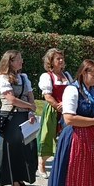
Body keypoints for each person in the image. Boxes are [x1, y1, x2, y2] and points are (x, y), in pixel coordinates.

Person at [0, 50, 37, 186]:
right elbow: (11, 99)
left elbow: (30, 97)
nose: (21, 61)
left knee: (25, 150)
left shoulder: (24, 77)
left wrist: (31, 111)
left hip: (25, 117)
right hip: (11, 117)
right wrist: (30, 106)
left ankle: (21, 177)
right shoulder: (2, 78)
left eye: (21, 58)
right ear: (10, 62)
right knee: (12, 150)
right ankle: (13, 180)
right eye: (18, 59)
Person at [36, 49, 73, 178]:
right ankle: (42, 164)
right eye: (58, 59)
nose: (61, 61)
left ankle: (63, 165)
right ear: (50, 61)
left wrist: (67, 106)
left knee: (66, 137)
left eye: (62, 58)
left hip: (67, 110)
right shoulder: (47, 76)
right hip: (52, 110)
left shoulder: (67, 75)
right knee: (48, 135)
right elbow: (47, 96)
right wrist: (59, 106)